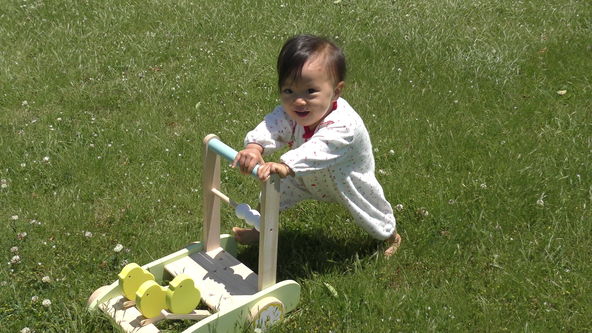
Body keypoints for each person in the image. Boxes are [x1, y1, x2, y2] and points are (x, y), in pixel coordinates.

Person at [231, 34, 401, 257]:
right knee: (272, 193)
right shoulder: (292, 111)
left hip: (345, 179)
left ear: (336, 91)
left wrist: (286, 164)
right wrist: (255, 147)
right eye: (288, 91)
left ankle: (391, 236)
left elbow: (320, 147)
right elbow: (274, 125)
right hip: (303, 175)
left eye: (310, 91)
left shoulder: (345, 125)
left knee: (370, 212)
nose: (298, 101)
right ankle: (259, 229)